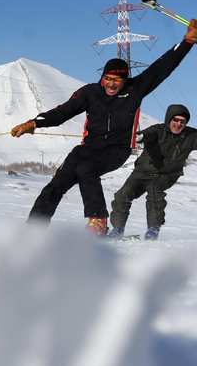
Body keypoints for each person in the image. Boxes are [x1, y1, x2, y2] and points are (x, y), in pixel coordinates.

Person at [10, 18, 197, 235]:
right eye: (107, 78)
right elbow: (64, 111)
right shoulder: (91, 92)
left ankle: (98, 222)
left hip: (117, 149)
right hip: (88, 147)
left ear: (125, 80)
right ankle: (33, 229)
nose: (111, 84)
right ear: (102, 77)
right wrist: (35, 123)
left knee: (86, 169)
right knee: (58, 183)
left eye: (116, 80)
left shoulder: (135, 90)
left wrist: (188, 41)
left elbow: (162, 67)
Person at [108, 104, 197, 240]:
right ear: (169, 119)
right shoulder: (158, 130)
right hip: (143, 171)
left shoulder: (191, 136)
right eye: (176, 120)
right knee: (124, 193)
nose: (179, 124)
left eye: (183, 121)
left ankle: (153, 229)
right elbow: (147, 134)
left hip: (167, 174)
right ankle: (117, 228)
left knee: (155, 190)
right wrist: (140, 137)